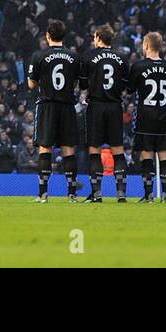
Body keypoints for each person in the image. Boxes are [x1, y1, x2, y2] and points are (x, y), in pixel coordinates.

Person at [27, 18, 81, 203]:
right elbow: (76, 83)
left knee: (45, 148)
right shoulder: (74, 57)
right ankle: (72, 193)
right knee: (68, 149)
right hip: (67, 106)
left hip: (47, 106)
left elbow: (31, 83)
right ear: (63, 36)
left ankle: (43, 194)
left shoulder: (38, 56)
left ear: (47, 36)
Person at [79, 24, 128, 203]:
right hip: (115, 107)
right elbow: (124, 86)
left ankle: (97, 194)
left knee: (94, 150)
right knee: (118, 151)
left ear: (99, 38)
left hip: (96, 107)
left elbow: (83, 85)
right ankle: (121, 193)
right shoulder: (121, 58)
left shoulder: (89, 57)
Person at [129, 32, 166, 202]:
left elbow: (131, 89)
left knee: (146, 156)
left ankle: (148, 194)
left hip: (144, 119)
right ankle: (165, 195)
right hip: (163, 117)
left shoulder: (138, 66)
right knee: (164, 156)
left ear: (146, 46)